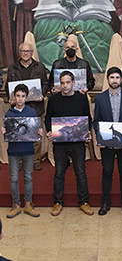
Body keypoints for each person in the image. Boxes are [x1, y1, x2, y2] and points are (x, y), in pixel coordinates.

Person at [45, 71, 94, 217]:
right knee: (59, 172)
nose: (65, 85)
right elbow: (48, 118)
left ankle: (84, 202)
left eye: (67, 82)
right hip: (59, 143)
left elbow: (88, 118)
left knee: (80, 172)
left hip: (78, 142)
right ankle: (58, 202)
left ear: (73, 83)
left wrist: (88, 132)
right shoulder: (54, 100)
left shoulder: (81, 98)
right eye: (62, 83)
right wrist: (49, 131)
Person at [94, 67, 122, 216]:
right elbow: (96, 121)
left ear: (121, 80)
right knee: (107, 171)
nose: (114, 80)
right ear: (107, 80)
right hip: (107, 143)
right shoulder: (100, 98)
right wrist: (100, 138)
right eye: (112, 77)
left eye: (117, 77)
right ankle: (105, 203)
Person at [6, 42, 49, 171]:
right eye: (23, 51)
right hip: (17, 109)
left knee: (35, 136)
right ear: (19, 53)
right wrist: (10, 97)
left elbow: (45, 83)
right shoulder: (12, 68)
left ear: (32, 53)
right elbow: (8, 85)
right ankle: (19, 161)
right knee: (18, 135)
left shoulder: (40, 67)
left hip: (35, 107)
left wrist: (42, 93)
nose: (25, 53)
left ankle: (35, 160)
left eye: (28, 51)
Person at [2, 84, 41, 219]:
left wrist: (39, 131)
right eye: (18, 96)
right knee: (13, 178)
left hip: (28, 149)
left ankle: (28, 204)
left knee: (28, 176)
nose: (20, 99)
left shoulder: (31, 112)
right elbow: (8, 134)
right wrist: (4, 132)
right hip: (13, 150)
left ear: (26, 97)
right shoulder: (9, 113)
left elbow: (35, 132)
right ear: (14, 97)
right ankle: (16, 204)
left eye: (23, 96)